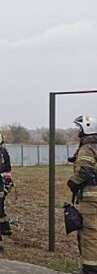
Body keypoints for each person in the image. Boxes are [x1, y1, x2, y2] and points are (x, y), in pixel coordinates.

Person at [67, 115, 97, 274]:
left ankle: (90, 268)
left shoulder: (88, 147)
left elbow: (85, 170)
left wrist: (72, 182)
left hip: (91, 197)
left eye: (79, 127)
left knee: (89, 233)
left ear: (87, 128)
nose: (78, 130)